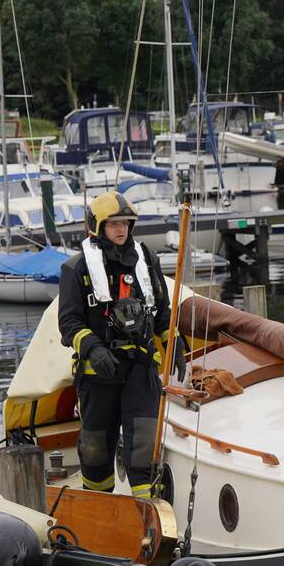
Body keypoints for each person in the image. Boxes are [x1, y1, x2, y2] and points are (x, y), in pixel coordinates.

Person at [59, 191, 184, 499]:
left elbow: (161, 312)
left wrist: (175, 342)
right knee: (95, 450)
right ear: (98, 226)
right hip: (98, 373)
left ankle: (147, 514)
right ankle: (99, 510)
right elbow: (69, 323)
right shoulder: (77, 269)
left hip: (140, 371)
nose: (121, 230)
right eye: (113, 223)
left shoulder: (146, 261)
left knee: (143, 447)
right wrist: (94, 348)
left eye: (126, 223)